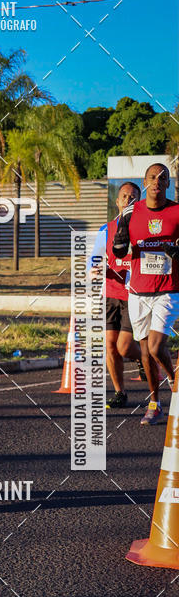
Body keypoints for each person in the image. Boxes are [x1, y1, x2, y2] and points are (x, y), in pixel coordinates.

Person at [113, 163, 179, 425]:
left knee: (155, 346)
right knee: (144, 352)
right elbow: (119, 249)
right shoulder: (131, 212)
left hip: (168, 289)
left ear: (167, 184)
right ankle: (155, 403)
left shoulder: (177, 211)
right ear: (145, 182)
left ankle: (173, 380)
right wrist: (120, 246)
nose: (156, 181)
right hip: (138, 290)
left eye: (162, 178)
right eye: (152, 177)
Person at [91, 182, 145, 408]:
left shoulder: (144, 229)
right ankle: (119, 392)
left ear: (139, 202)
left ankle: (145, 356)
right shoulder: (106, 229)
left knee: (124, 347)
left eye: (133, 197)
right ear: (117, 201)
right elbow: (94, 260)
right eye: (124, 196)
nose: (128, 200)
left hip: (134, 295)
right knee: (110, 346)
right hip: (111, 294)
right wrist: (96, 269)